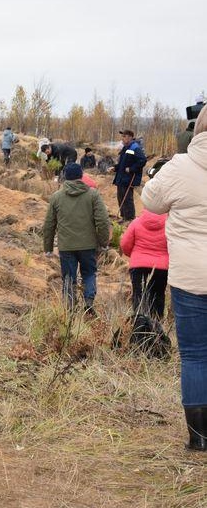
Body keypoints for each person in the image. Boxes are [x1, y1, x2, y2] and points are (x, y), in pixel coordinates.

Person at [141, 105, 207, 452]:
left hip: (190, 276)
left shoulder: (180, 166)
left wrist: (155, 173)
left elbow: (150, 201)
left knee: (196, 355)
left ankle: (199, 437)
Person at [42, 163, 111, 314]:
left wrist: (47, 248)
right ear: (81, 176)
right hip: (88, 245)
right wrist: (104, 242)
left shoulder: (56, 197)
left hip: (66, 247)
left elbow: (49, 225)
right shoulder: (93, 195)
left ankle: (70, 308)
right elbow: (103, 221)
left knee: (68, 277)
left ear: (65, 177)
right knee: (89, 273)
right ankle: (88, 302)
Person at [120, 209, 168, 319]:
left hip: (138, 265)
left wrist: (133, 256)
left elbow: (125, 244)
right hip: (161, 267)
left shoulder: (136, 222)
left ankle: (139, 326)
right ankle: (157, 326)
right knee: (158, 296)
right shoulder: (169, 224)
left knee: (139, 295)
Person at [112, 129, 147, 223]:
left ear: (130, 137)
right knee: (121, 197)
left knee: (127, 198)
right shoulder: (126, 148)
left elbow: (142, 160)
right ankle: (124, 217)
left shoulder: (135, 148)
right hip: (121, 177)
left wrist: (131, 169)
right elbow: (122, 163)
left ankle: (130, 218)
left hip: (128, 178)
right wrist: (115, 168)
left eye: (124, 136)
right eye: (122, 136)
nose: (122, 138)